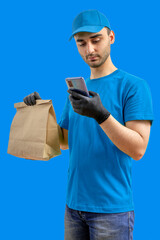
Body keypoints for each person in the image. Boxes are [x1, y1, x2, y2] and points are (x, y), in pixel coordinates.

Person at [23, 9, 154, 240]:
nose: (90, 49)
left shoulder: (134, 86)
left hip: (111, 210)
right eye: (81, 42)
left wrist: (102, 115)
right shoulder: (76, 91)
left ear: (111, 37)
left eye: (96, 40)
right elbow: (63, 142)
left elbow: (138, 149)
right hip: (73, 207)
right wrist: (40, 112)